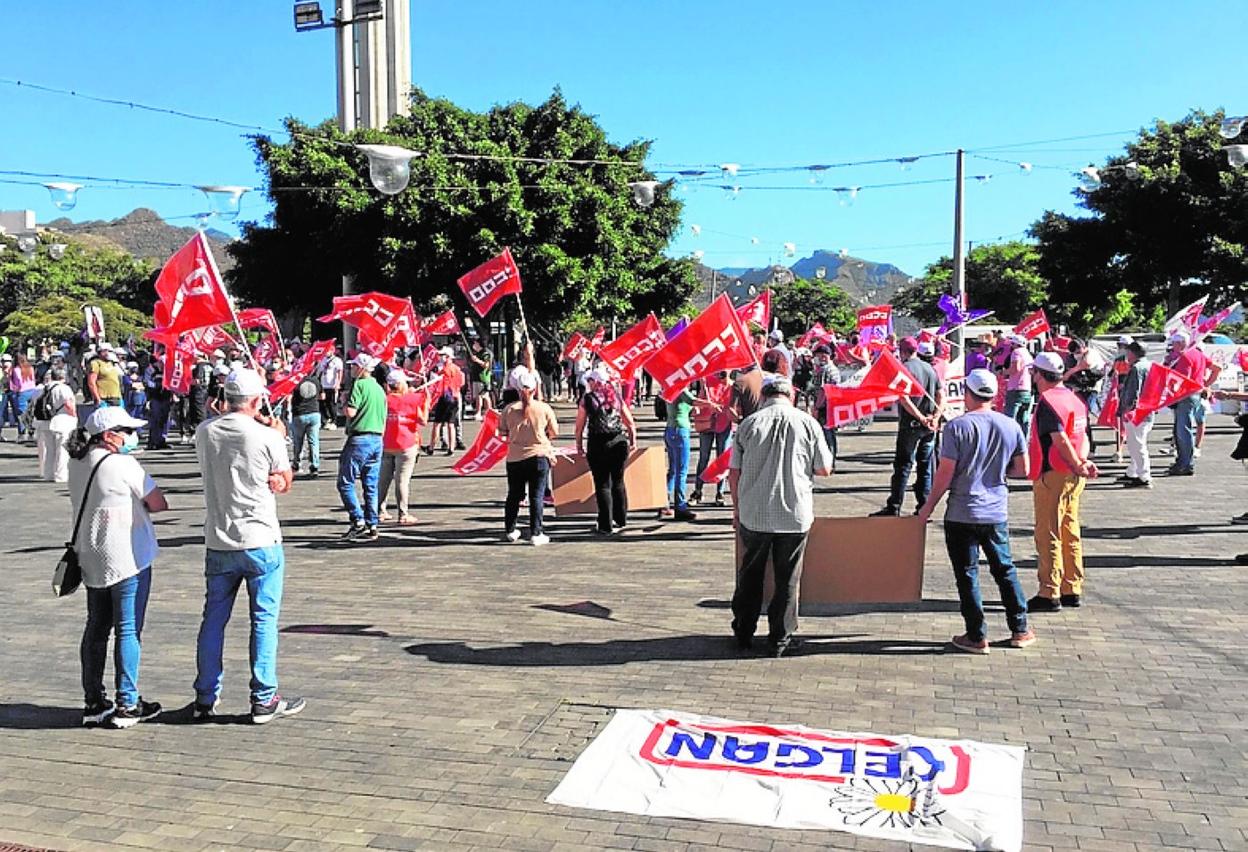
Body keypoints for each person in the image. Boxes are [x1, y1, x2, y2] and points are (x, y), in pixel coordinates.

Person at [193, 368, 304, 725]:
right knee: (264, 620)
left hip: (219, 538)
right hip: (260, 539)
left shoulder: (204, 432)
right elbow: (284, 481)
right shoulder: (267, 436)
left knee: (213, 620)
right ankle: (263, 696)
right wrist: (279, 436)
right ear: (256, 401)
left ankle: (205, 695)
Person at [917, 369, 1035, 654]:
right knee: (1005, 570)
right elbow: (1023, 469)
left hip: (961, 512)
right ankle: (1020, 629)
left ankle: (976, 635)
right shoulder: (1010, 425)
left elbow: (945, 474)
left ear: (967, 393)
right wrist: (997, 470)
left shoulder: (957, 427)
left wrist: (926, 508)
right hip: (995, 512)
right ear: (993, 395)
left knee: (967, 574)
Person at [67, 407, 168, 728]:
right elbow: (158, 503)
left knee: (96, 628)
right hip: (128, 558)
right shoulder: (122, 464)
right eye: (126, 431)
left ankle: (94, 700)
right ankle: (127, 703)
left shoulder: (76, 462)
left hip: (91, 557)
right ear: (109, 435)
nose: (131, 437)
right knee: (128, 629)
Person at [729, 373, 833, 657]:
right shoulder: (808, 423)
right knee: (787, 580)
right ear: (792, 396)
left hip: (754, 512)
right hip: (794, 514)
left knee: (750, 574)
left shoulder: (748, 424)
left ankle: (743, 631)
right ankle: (780, 638)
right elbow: (824, 468)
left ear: (763, 396)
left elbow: (734, 473)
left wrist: (736, 509)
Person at [1028, 351, 1098, 612]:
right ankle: (1072, 587)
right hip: (1073, 474)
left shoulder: (1048, 402)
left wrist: (1077, 463)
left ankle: (1049, 591)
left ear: (1039, 375)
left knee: (1048, 532)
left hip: (1054, 473)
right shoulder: (1073, 398)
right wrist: (1082, 462)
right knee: (1069, 529)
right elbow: (1084, 436)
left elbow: (1060, 439)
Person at [870, 337, 943, 516]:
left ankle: (894, 505)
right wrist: (935, 417)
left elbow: (904, 399)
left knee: (903, 465)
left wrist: (919, 417)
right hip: (929, 424)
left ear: (902, 352)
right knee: (925, 466)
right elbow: (941, 395)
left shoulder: (904, 369)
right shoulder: (930, 369)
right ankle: (924, 506)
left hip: (911, 424)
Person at [574, 366, 637, 534]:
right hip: (618, 442)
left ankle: (605, 524)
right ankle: (621, 518)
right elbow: (630, 423)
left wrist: (579, 445)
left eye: (590, 380)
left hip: (598, 443)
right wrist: (632, 441)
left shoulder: (587, 399)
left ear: (595, 382)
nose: (588, 383)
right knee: (618, 481)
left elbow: (579, 426)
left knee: (602, 484)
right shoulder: (616, 397)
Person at [499, 370, 558, 545]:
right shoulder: (544, 408)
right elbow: (554, 432)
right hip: (539, 455)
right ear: (535, 389)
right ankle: (536, 533)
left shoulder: (509, 409)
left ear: (517, 390)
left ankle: (510, 530)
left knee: (514, 495)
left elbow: (502, 432)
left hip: (515, 458)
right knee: (536, 496)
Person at [338, 354, 387, 542]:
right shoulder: (379, 388)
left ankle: (357, 520)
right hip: (377, 439)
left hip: (360, 438)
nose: (351, 369)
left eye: (354, 366)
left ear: (361, 368)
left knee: (345, 482)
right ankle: (372, 524)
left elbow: (350, 411)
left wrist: (344, 401)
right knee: (370, 484)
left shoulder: (359, 385)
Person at [1164, 331, 1218, 476]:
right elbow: (1216, 368)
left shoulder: (1185, 357)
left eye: (1175, 343)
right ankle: (1183, 461)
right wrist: (1205, 384)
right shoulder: (1198, 354)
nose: (1173, 346)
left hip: (1185, 396)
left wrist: (1171, 394)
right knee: (1184, 429)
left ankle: (1185, 464)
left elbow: (1182, 380)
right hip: (1195, 394)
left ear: (1181, 343)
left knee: (1183, 431)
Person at [378, 370, 428, 525]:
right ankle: (403, 513)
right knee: (402, 481)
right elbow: (423, 420)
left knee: (383, 480)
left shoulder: (383, 399)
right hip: (406, 443)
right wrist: (426, 403)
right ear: (400, 385)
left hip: (386, 443)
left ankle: (379, 511)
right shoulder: (410, 400)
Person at [690, 372, 734, 505]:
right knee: (703, 457)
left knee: (722, 459)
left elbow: (733, 405)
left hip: (724, 424)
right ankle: (698, 490)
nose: (723, 373)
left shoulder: (731, 386)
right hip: (707, 423)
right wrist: (704, 405)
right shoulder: (706, 381)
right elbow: (700, 401)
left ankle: (720, 492)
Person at [1118, 341, 1154, 489]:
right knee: (1136, 443)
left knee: (1137, 444)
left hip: (1137, 412)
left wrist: (1128, 409)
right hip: (1147, 409)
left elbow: (1133, 391)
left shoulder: (1136, 368)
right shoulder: (1150, 365)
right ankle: (1133, 471)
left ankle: (1144, 476)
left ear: (1132, 353)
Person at [662, 384, 699, 522]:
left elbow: (685, 406)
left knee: (673, 470)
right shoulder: (681, 388)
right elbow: (693, 401)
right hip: (680, 431)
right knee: (681, 471)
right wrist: (711, 404)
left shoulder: (669, 386)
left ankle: (664, 501)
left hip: (670, 429)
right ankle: (680, 506)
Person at [34, 365, 77, 482]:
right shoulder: (64, 388)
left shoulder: (44, 388)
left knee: (49, 450)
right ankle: (60, 475)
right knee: (61, 450)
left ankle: (48, 474)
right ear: (63, 376)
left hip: (46, 422)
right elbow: (68, 405)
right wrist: (74, 416)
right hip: (62, 421)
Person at [808, 344, 842, 468]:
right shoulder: (833, 369)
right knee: (830, 434)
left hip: (824, 407)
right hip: (831, 405)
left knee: (826, 435)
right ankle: (831, 462)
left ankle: (828, 463)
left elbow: (823, 390)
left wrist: (817, 407)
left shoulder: (824, 370)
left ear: (823, 356)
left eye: (817, 355)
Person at [428, 347, 465, 454]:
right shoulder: (457, 369)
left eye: (442, 355)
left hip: (445, 397)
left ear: (448, 356)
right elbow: (462, 382)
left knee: (437, 423)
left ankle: (431, 447)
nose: (440, 357)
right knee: (451, 423)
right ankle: (451, 448)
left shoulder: (446, 369)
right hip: (455, 397)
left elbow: (438, 379)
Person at [289, 368, 323, 478]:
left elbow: (289, 395)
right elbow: (322, 396)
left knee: (298, 442)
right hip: (314, 412)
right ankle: (314, 465)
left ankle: (296, 463)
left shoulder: (296, 381)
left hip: (299, 413)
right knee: (313, 441)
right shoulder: (316, 380)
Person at [1002, 335, 1035, 435]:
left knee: (1010, 418)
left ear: (1015, 344)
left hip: (1015, 388)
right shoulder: (1028, 354)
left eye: (1012, 344)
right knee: (1024, 419)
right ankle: (1023, 440)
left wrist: (1004, 372)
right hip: (1027, 388)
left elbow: (1015, 368)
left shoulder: (1016, 352)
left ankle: (1009, 440)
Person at [8, 353, 39, 442]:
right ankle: (31, 433)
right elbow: (33, 379)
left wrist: (15, 390)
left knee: (21, 414)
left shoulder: (16, 369)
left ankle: (22, 434)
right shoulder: (30, 368)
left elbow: (18, 382)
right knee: (31, 413)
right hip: (32, 391)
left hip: (22, 392)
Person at [86, 343, 124, 409]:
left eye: (109, 351)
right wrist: (97, 398)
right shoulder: (96, 363)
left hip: (116, 397)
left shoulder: (112, 363)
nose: (107, 353)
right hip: (103, 398)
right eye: (105, 351)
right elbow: (91, 383)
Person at [468, 338, 494, 420]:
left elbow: (486, 365)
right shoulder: (478, 353)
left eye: (475, 343)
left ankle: (480, 412)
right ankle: (487, 412)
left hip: (482, 377)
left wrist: (477, 360)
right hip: (476, 377)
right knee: (481, 396)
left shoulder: (485, 353)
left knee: (482, 395)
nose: (474, 345)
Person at [320, 346, 344, 430]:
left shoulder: (337, 360)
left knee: (332, 404)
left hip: (332, 385)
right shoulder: (323, 359)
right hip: (324, 384)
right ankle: (326, 419)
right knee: (323, 403)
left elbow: (340, 372)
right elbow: (321, 371)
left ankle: (334, 421)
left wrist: (338, 383)